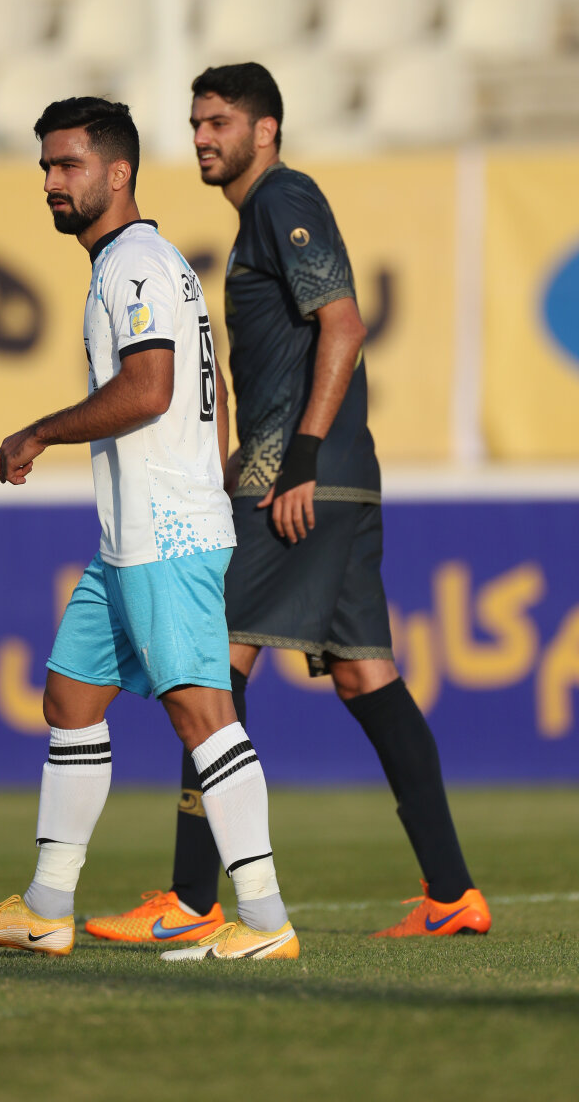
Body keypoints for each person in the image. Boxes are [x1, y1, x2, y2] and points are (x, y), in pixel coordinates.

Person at [85, 65, 491, 942]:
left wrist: (297, 457)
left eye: (219, 122)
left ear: (265, 130)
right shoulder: (255, 219)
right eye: (196, 122)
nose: (202, 137)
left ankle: (192, 900)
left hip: (301, 481)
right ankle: (454, 893)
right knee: (364, 674)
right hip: (328, 473)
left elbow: (344, 323)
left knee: (209, 665)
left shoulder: (283, 199)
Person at [0, 96, 298, 962]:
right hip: (135, 536)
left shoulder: (135, 264)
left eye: (68, 165)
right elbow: (208, 395)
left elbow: (150, 389)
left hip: (165, 534)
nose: (52, 182)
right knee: (70, 695)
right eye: (46, 167)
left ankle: (265, 921)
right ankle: (45, 908)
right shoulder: (137, 262)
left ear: (118, 172)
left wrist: (39, 432)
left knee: (202, 715)